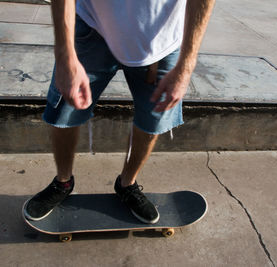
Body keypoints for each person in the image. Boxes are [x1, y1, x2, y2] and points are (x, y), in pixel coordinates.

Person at [23, 0, 215, 224]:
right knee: (65, 111)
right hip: (92, 26)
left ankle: (127, 184)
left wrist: (187, 63)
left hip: (162, 41)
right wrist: (65, 55)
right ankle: (63, 182)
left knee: (154, 120)